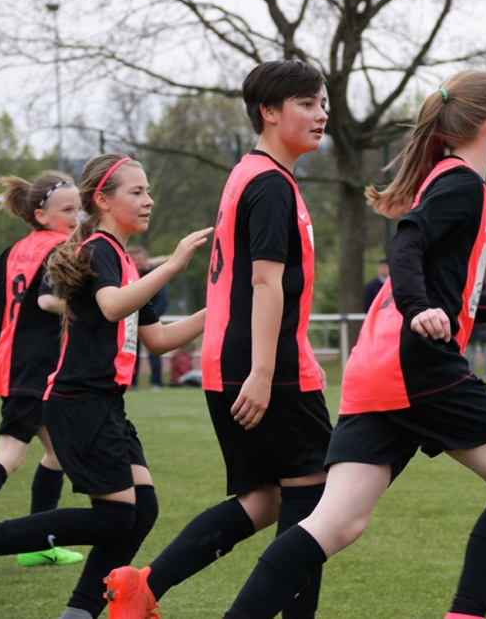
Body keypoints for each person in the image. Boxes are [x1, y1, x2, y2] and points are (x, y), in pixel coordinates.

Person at [217, 69, 486, 619]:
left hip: (376, 368)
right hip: (417, 367)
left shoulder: (445, 178)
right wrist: (417, 307)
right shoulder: (463, 183)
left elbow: (452, 299)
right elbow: (407, 244)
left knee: (336, 523)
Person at [105, 60, 332, 619]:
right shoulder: (270, 184)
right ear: (269, 112)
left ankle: (143, 586)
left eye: (323, 103)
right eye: (307, 103)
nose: (321, 114)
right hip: (260, 366)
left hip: (233, 361)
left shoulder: (249, 173)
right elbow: (264, 283)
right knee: (314, 499)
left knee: (265, 498)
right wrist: (264, 372)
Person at [0, 153, 210, 619]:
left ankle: (79, 612)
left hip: (106, 405)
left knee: (141, 510)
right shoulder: (99, 250)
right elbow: (112, 306)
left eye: (148, 191)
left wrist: (220, 311)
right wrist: (172, 266)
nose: (149, 200)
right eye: (137, 192)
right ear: (104, 201)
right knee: (115, 516)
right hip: (80, 403)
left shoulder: (126, 261)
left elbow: (157, 340)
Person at [0, 171, 85, 567]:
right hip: (33, 367)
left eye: (79, 209)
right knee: (10, 455)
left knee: (61, 451)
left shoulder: (14, 250)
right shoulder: (61, 248)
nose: (76, 217)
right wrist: (96, 305)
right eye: (68, 210)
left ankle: (38, 544)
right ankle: (36, 543)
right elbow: (49, 302)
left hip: (16, 363)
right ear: (41, 215)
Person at [129, 247, 169, 391]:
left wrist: (150, 320)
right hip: (133, 320)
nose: (137, 262)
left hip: (152, 321)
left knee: (155, 352)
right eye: (134, 260)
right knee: (131, 351)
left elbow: (162, 300)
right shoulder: (131, 275)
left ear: (146, 259)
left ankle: (156, 383)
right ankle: (131, 382)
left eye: (140, 259)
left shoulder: (156, 275)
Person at [467, 279, 486, 380]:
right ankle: (470, 375)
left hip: (484, 327)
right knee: (470, 354)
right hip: (471, 327)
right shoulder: (467, 286)